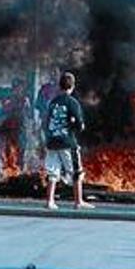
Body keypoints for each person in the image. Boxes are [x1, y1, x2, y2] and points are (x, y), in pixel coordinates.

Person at [43, 72, 93, 210]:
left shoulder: (53, 102)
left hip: (52, 142)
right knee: (76, 172)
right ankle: (78, 202)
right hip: (67, 143)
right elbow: (80, 125)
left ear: (60, 86)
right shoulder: (72, 103)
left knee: (53, 172)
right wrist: (74, 125)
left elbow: (46, 121)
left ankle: (50, 201)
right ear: (72, 86)